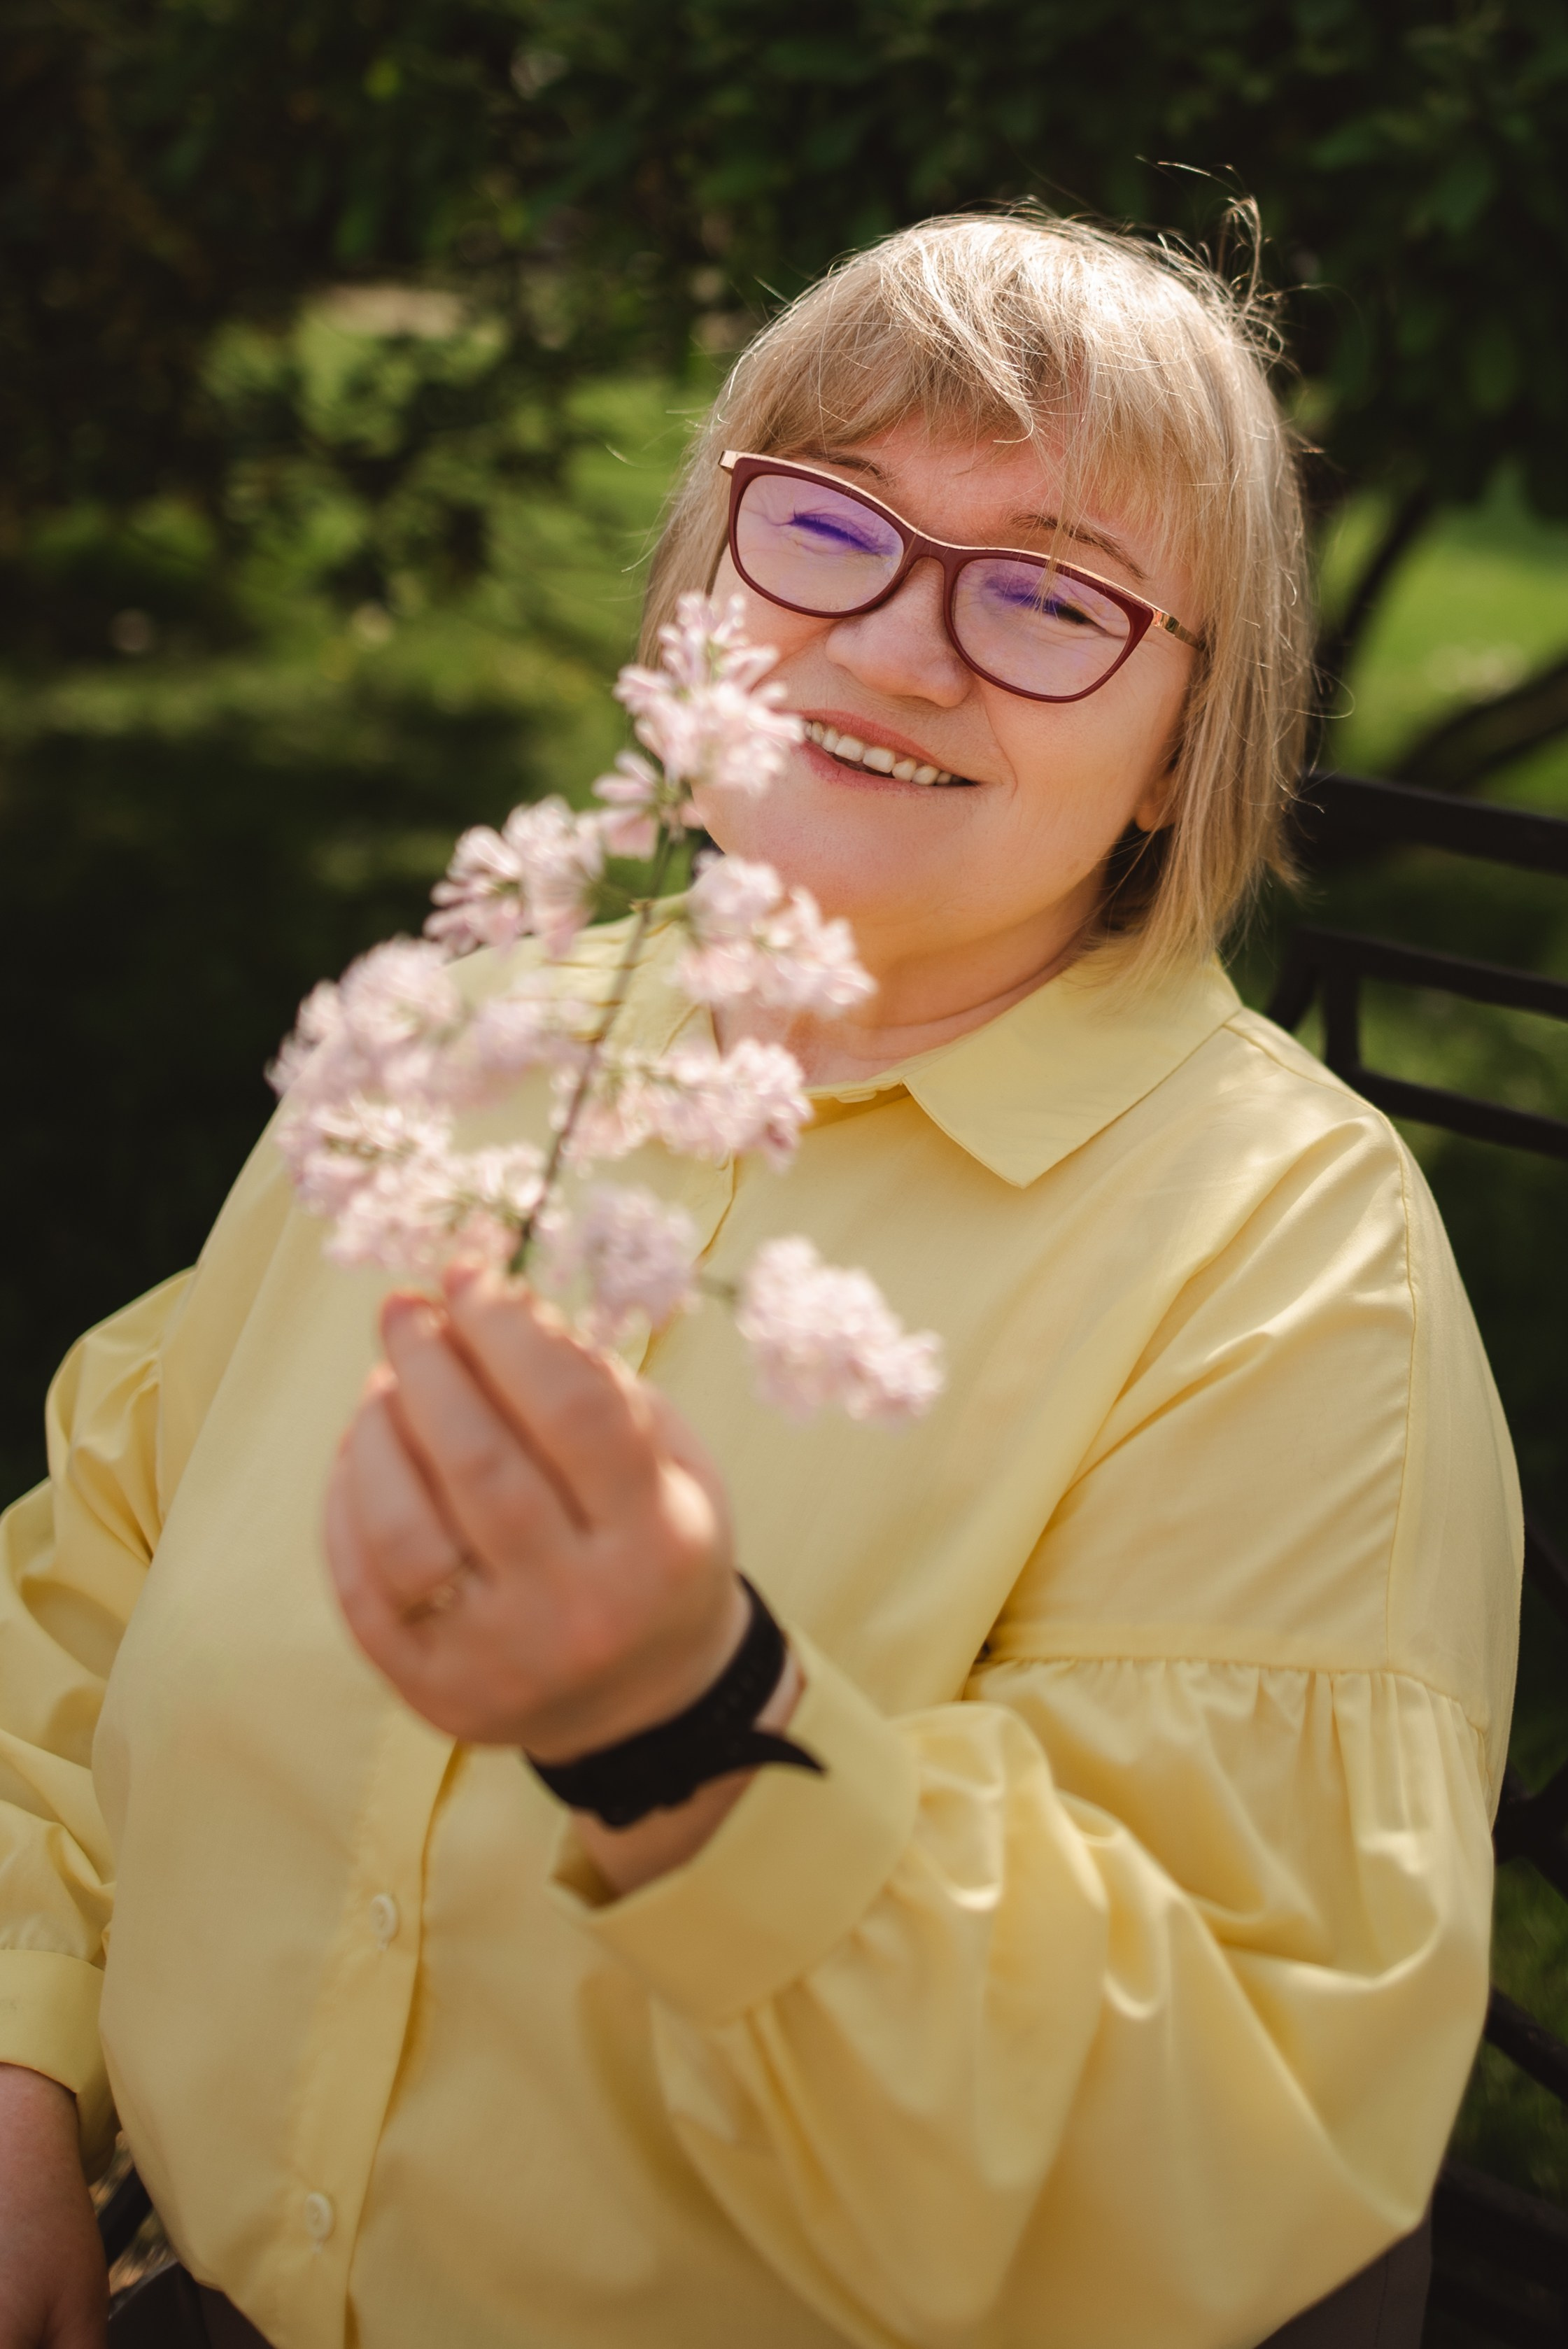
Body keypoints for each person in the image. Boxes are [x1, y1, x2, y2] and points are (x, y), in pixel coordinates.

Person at [0, 211, 1520, 2349]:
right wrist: (19, 2059)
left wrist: (693, 1734)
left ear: (1184, 748)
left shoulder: (1283, 1266)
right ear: (704, 586)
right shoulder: (459, 1050)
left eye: (1048, 597)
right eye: (823, 527)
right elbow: (93, 1574)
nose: (899, 648)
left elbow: (1214, 2151)